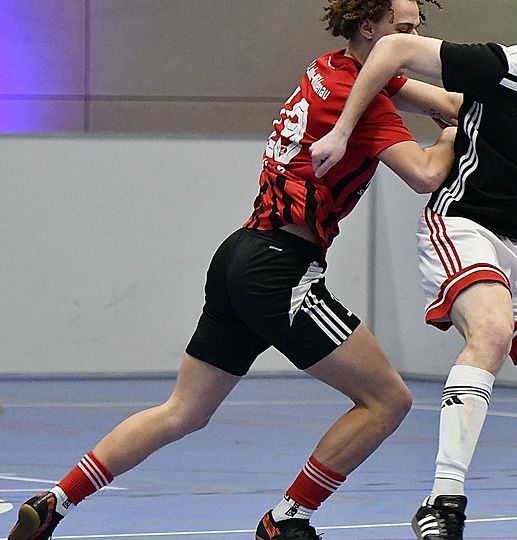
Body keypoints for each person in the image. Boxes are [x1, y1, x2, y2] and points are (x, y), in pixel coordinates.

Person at [6, 1, 462, 540]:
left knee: (183, 411)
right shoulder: (359, 103)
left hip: (240, 255)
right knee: (388, 399)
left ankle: (56, 500)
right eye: (404, 29)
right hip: (281, 270)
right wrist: (458, 133)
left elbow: (448, 97)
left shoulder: (332, 68)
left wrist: (479, 101)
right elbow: (427, 173)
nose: (414, 39)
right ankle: (288, 518)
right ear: (370, 29)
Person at [309, 1, 517, 539]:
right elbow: (393, 48)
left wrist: (449, 106)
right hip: (462, 224)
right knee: (492, 331)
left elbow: (462, 102)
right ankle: (443, 500)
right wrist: (342, 129)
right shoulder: (499, 64)